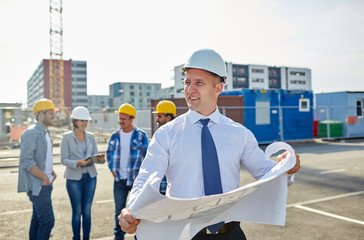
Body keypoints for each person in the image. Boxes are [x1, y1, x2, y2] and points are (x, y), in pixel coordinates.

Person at [118, 49, 301, 240]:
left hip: (231, 234)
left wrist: (286, 166)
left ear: (218, 88)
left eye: (199, 83)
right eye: (187, 82)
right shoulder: (166, 134)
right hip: (185, 234)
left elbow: (266, 172)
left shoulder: (239, 134)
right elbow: (147, 177)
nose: (190, 90)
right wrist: (132, 209)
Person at [60, 106, 105, 240]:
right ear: (74, 121)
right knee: (77, 211)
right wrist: (78, 163)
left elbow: (94, 156)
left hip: (90, 177)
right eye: (81, 121)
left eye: (86, 121)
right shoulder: (66, 137)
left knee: (87, 211)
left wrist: (100, 160)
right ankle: (76, 237)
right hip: (73, 179)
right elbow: (63, 159)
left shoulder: (91, 137)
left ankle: (86, 238)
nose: (84, 123)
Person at [106, 103, 149, 240]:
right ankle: (119, 236)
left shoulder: (141, 135)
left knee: (137, 211)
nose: (121, 122)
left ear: (132, 119)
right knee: (119, 211)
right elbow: (109, 154)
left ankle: (139, 236)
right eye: (119, 118)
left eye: (123, 119)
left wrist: (140, 176)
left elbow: (147, 157)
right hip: (119, 180)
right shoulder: (114, 135)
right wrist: (112, 170)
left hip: (136, 180)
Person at [18, 98, 57, 240]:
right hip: (38, 185)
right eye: (51, 113)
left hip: (44, 184)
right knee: (47, 221)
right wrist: (45, 177)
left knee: (37, 221)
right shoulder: (32, 133)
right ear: (41, 114)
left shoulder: (45, 132)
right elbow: (26, 161)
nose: (54, 116)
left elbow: (41, 157)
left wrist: (50, 171)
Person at [152, 100, 177, 195]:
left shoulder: (179, 137)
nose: (156, 119)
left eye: (159, 116)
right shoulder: (158, 136)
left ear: (168, 117)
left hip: (173, 191)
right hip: (159, 189)